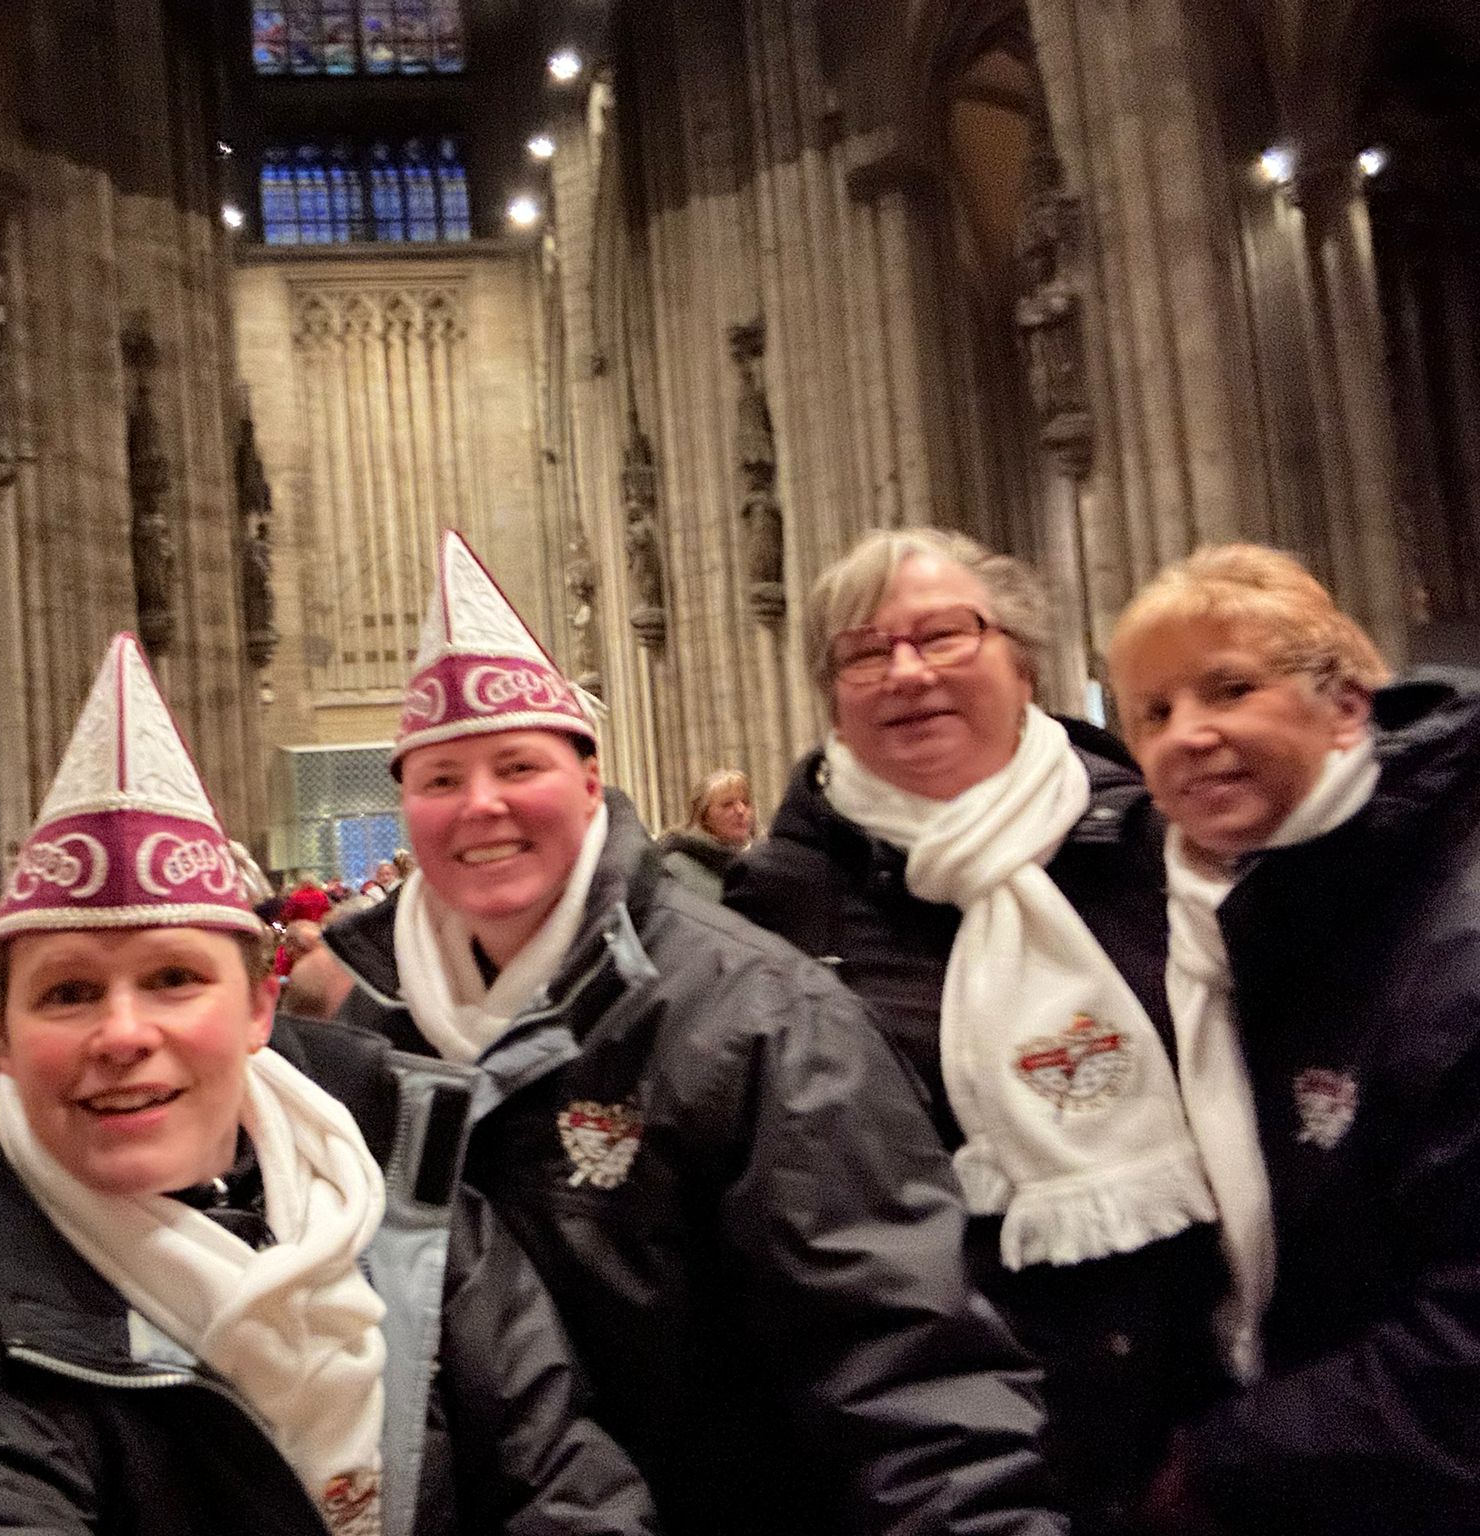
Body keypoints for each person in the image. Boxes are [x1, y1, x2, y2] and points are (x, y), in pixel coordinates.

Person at [0, 634, 658, 1536]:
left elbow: (564, 1480)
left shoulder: (404, 1192)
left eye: (174, 979)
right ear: (11, 1041)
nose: (123, 1033)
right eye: (68, 993)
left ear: (261, 1008)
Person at [319, 529, 1061, 1536]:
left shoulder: (757, 1015)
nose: (478, 805)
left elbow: (899, 1360)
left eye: (515, 765)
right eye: (438, 779)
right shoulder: (369, 1030)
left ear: (587, 784)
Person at [724, 527, 1230, 1533]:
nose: (904, 673)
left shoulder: (1161, 848)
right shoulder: (777, 905)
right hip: (933, 1466)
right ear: (830, 692)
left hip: (1206, 1430)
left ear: (1021, 655)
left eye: (942, 636)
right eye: (863, 653)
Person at [1108, 544, 1480, 1535]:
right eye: (1151, 712)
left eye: (1228, 688)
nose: (1187, 735)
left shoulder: (1449, 938)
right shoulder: (1190, 926)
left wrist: (1219, 1465)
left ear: (1345, 705)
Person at [655, 768, 753, 901]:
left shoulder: (761, 860)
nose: (741, 810)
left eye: (745, 803)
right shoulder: (675, 866)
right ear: (704, 816)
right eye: (727, 805)